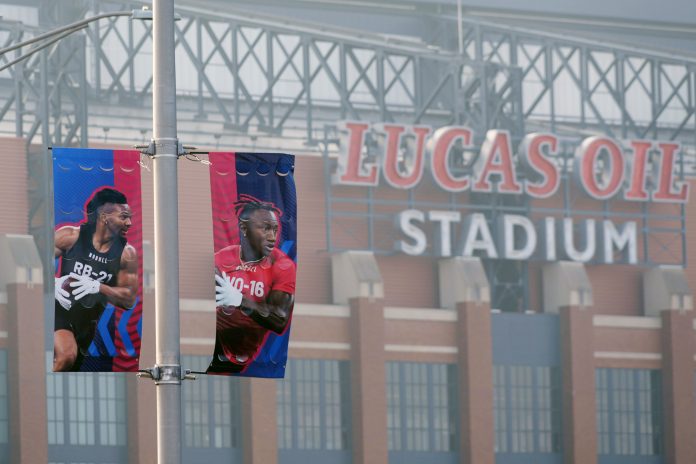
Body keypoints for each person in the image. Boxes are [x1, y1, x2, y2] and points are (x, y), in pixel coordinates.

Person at [53, 187, 138, 372]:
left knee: (70, 368)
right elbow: (32, 262)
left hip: (86, 324)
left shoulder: (126, 254)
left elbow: (129, 299)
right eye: (123, 217)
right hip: (60, 311)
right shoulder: (70, 236)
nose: (129, 223)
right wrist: (53, 283)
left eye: (130, 217)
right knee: (67, 355)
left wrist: (97, 287)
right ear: (104, 217)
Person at [210, 194, 296, 374]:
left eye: (274, 229)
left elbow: (279, 320)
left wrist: (241, 300)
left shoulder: (283, 266)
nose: (272, 237)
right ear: (244, 227)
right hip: (211, 352)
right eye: (265, 229)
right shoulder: (221, 258)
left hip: (243, 361)